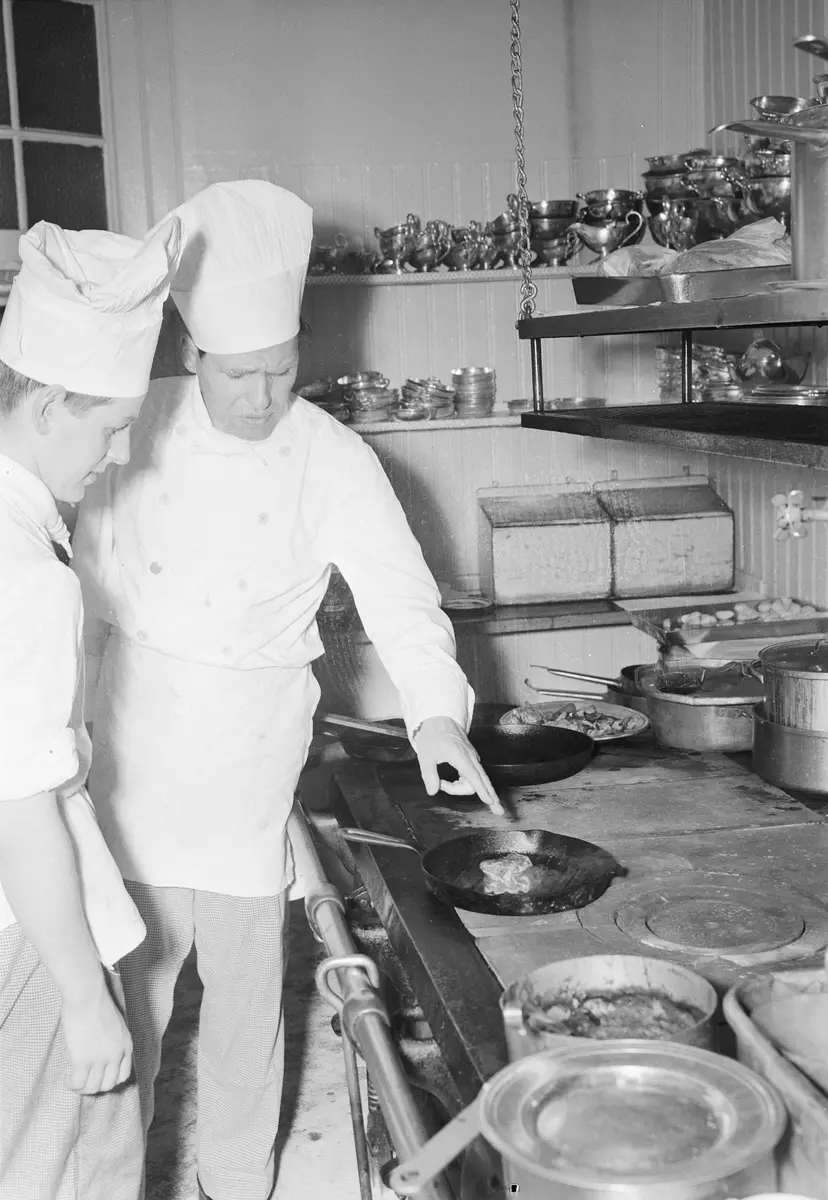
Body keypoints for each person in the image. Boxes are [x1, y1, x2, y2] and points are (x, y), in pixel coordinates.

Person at [72, 179, 501, 1200]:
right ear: (191, 355)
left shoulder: (334, 457)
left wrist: (439, 712)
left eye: (279, 369)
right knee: (125, 999)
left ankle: (235, 1180)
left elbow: (404, 601)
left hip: (248, 757)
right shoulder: (132, 426)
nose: (263, 397)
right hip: (127, 746)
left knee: (246, 1003)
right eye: (238, 376)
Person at [0, 214, 182, 1199]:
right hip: (28, 929)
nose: (117, 456)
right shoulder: (25, 570)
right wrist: (81, 996)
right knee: (82, 1163)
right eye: (109, 427)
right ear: (44, 407)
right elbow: (18, 804)